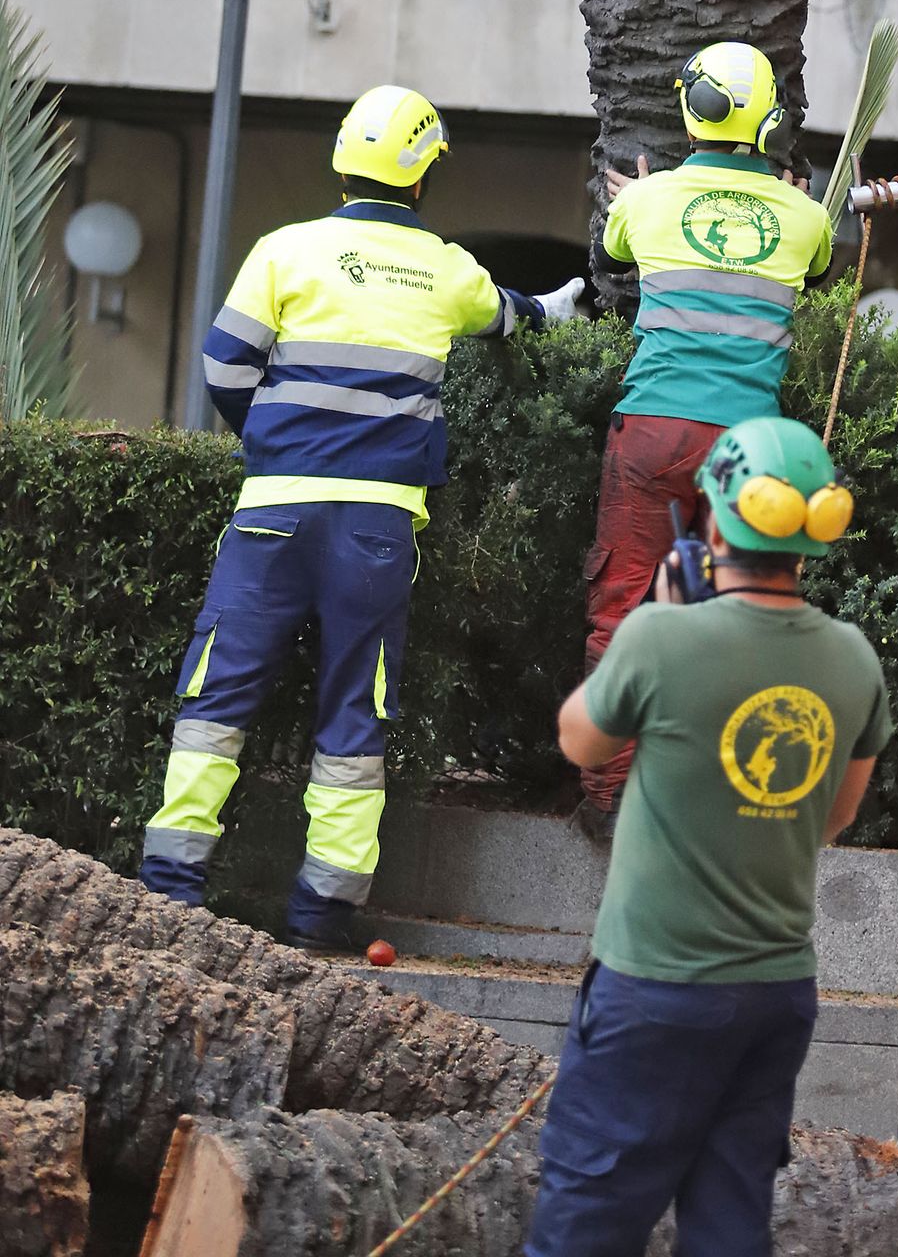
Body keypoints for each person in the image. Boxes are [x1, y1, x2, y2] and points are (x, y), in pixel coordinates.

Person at [139, 83, 585, 949]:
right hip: (377, 527)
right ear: (424, 178)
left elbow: (225, 369)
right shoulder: (446, 267)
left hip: (272, 513)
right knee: (354, 713)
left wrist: (275, 446)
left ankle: (170, 892)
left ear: (342, 160)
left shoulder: (285, 251)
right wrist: (555, 306)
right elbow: (511, 316)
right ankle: (320, 913)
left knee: (216, 696)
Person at [524, 415, 889, 1257]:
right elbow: (834, 814)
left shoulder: (662, 636)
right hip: (776, 993)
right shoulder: (853, 659)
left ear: (719, 521)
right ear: (816, 529)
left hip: (653, 987)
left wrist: (660, 621)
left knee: (584, 1223)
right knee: (730, 1225)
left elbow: (581, 741)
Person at [580, 40, 834, 830]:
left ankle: (609, 797)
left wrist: (647, 196)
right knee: (737, 617)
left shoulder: (646, 203)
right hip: (750, 455)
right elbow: (819, 267)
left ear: (691, 112)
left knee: (624, 607)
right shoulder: (803, 217)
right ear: (769, 124)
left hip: (652, 432)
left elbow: (612, 257)